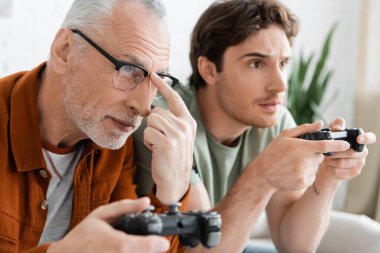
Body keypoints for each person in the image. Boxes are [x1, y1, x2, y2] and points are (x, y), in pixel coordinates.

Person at [133, 0, 377, 252]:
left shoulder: (274, 119)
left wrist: (329, 177)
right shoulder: (168, 123)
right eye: (256, 64)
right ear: (209, 70)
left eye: (283, 63)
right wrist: (263, 175)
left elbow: (295, 245)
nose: (280, 85)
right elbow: (202, 249)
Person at [0, 0, 197, 252]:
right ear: (64, 51)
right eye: (129, 70)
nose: (144, 107)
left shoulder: (110, 140)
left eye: (158, 81)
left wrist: (172, 191)